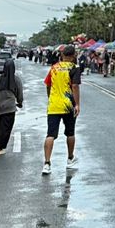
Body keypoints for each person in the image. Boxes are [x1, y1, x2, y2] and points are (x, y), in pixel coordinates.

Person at [42, 46, 82, 174]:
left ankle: (47, 163)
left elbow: (48, 84)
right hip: (68, 105)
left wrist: (50, 98)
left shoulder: (54, 67)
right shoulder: (74, 68)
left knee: (50, 134)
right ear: (73, 55)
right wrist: (77, 104)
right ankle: (70, 159)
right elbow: (75, 86)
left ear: (62, 54)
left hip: (54, 105)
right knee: (70, 133)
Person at [0, 54, 24, 154]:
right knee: (6, 127)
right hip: (9, 107)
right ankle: (0, 148)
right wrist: (20, 102)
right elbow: (20, 93)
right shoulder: (16, 79)